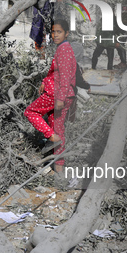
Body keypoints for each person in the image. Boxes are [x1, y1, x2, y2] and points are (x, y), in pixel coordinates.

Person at [24, 20, 76, 175]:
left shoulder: (65, 50)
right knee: (59, 129)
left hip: (57, 94)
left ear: (67, 33)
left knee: (31, 112)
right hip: (64, 94)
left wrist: (59, 98)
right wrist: (44, 82)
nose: (55, 35)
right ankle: (59, 169)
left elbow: (65, 77)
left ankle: (51, 137)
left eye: (59, 32)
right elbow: (56, 73)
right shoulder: (63, 48)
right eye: (53, 32)